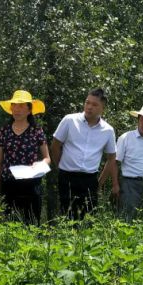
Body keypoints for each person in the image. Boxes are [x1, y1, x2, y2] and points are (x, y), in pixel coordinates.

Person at [51, 88, 118, 220]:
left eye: (94, 104)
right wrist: (60, 166)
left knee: (88, 219)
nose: (89, 107)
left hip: (90, 179)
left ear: (102, 108)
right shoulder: (69, 120)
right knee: (67, 216)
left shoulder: (108, 130)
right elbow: (55, 145)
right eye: (87, 102)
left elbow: (112, 158)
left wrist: (99, 183)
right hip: (67, 176)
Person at [0, 90, 50, 224]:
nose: (16, 109)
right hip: (9, 183)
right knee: (9, 223)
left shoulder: (36, 130)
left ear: (29, 110)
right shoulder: (4, 131)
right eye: (14, 105)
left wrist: (40, 164)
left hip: (31, 184)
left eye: (21, 106)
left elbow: (47, 158)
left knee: (31, 223)